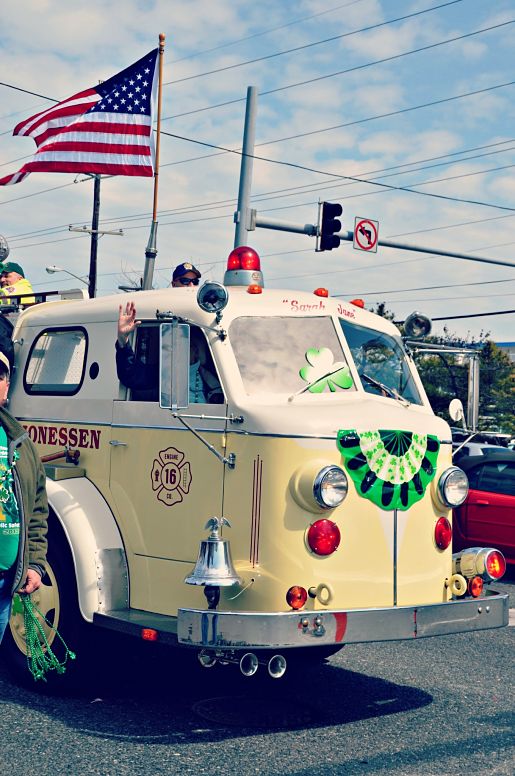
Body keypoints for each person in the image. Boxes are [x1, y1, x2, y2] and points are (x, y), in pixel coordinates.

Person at [0, 350, 48, 644]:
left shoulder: (21, 443)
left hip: (5, 580)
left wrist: (35, 564)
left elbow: (38, 509)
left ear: (6, 389)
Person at [116, 301, 223, 403]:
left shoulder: (213, 373)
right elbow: (131, 375)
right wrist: (123, 340)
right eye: (176, 345)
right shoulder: (164, 371)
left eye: (187, 345)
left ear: (196, 350)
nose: (181, 349)